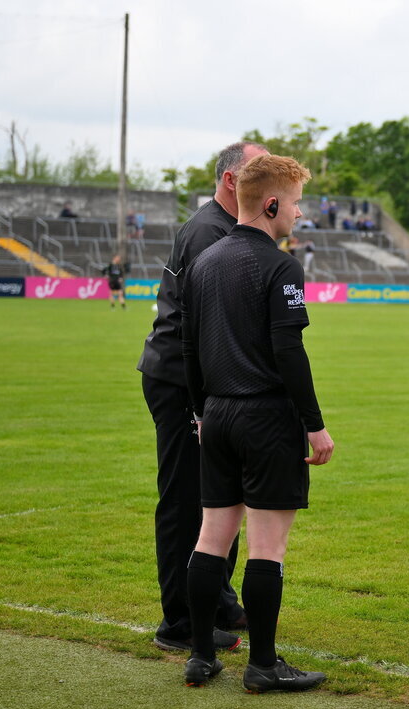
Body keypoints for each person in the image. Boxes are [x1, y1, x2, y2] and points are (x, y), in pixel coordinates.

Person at [180, 154, 334, 691]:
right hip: (266, 416)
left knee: (211, 537)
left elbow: (188, 347)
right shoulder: (280, 265)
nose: (297, 215)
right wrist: (314, 424)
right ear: (271, 204)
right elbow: (288, 350)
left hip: (217, 414)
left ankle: (200, 657)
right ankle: (264, 666)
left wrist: (200, 411)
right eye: (294, 204)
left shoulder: (204, 262)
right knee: (268, 545)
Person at [137, 141, 268, 654]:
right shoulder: (210, 231)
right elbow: (205, 329)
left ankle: (216, 599)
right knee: (186, 501)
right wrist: (205, 405)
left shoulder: (222, 229)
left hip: (206, 385)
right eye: (261, 172)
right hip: (182, 385)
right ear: (234, 181)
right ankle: (178, 620)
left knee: (221, 496)